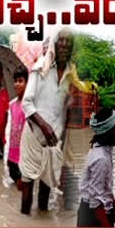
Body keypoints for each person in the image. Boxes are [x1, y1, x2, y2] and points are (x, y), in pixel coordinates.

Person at [19, 29, 77, 214]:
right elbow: (26, 102)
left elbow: (64, 115)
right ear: (55, 43)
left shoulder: (70, 76)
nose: (65, 45)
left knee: (45, 194)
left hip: (53, 143)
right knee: (27, 192)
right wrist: (44, 126)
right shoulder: (41, 67)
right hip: (33, 138)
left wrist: (63, 143)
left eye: (69, 42)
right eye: (62, 41)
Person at [77, 107, 115, 227]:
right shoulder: (101, 158)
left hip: (96, 209)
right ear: (109, 130)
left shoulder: (100, 150)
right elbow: (95, 202)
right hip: (92, 215)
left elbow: (104, 188)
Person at [3, 67, 28, 191]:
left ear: (26, 83)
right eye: (15, 81)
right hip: (11, 156)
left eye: (20, 81)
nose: (17, 84)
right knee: (14, 189)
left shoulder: (29, 106)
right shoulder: (12, 105)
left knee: (21, 189)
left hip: (23, 157)